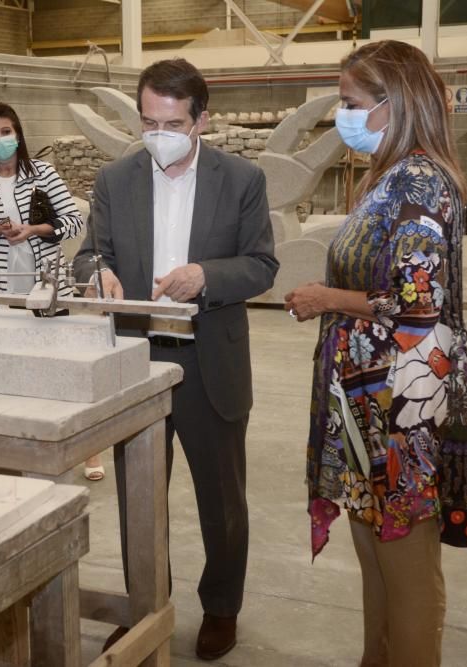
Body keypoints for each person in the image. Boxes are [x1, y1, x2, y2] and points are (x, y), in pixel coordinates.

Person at [74, 58, 279, 660]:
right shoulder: (117, 180)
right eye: (147, 121)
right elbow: (90, 254)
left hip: (209, 361)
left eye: (171, 122)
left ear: (200, 121)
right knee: (140, 500)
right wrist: (99, 274)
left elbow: (262, 265)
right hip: (136, 361)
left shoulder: (241, 179)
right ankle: (147, 606)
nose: (157, 133)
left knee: (222, 500)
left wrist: (204, 276)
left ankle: (221, 607)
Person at [284, 40, 467, 667]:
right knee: (376, 559)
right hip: (373, 404)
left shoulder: (419, 183)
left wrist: (325, 296)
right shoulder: (390, 178)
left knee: (408, 572)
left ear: (393, 105)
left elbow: (418, 301)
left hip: (403, 411)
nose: (343, 115)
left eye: (350, 103)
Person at [0, 102, 104, 479]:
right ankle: (14, 447)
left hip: (46, 283)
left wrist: (34, 230)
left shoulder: (45, 174)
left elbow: (73, 223)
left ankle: (87, 450)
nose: (0, 140)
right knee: (5, 370)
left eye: (5, 132)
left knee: (61, 368)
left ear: (18, 133)